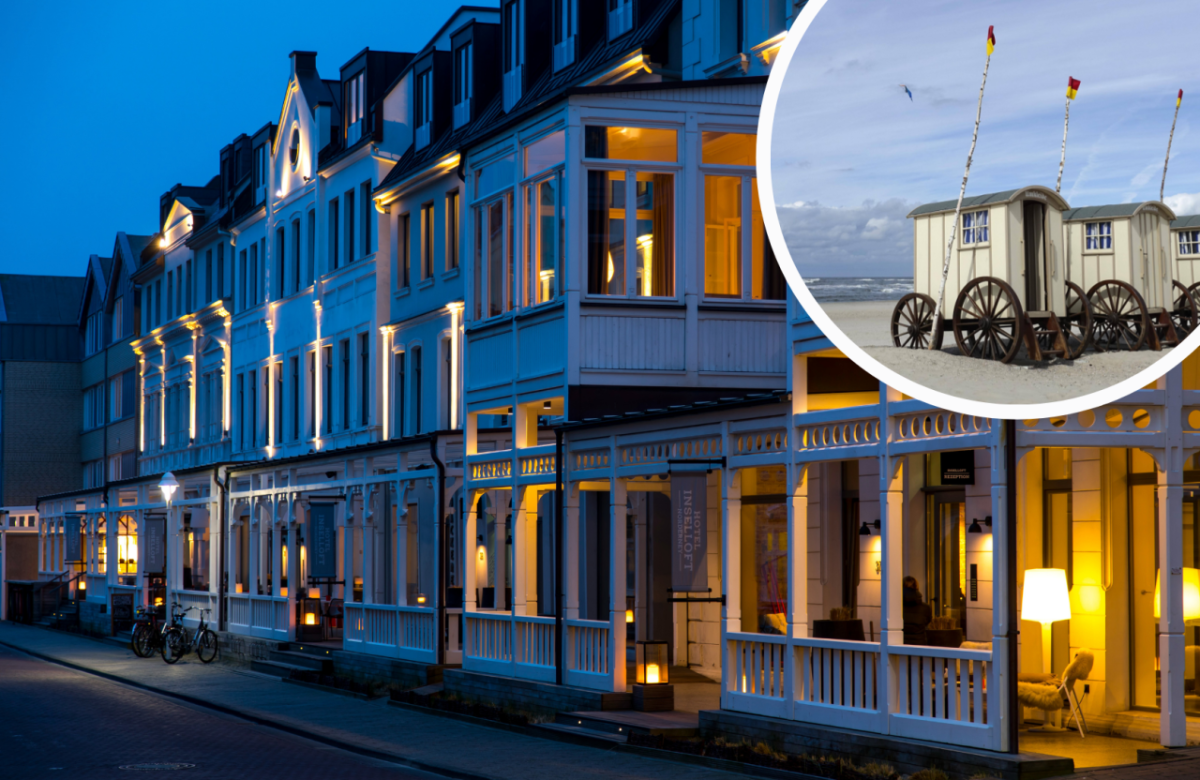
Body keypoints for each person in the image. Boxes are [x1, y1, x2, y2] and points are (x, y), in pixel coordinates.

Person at [902, 576, 932, 645]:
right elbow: (927, 621)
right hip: (919, 645)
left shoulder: (896, 607)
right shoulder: (926, 607)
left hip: (901, 646)